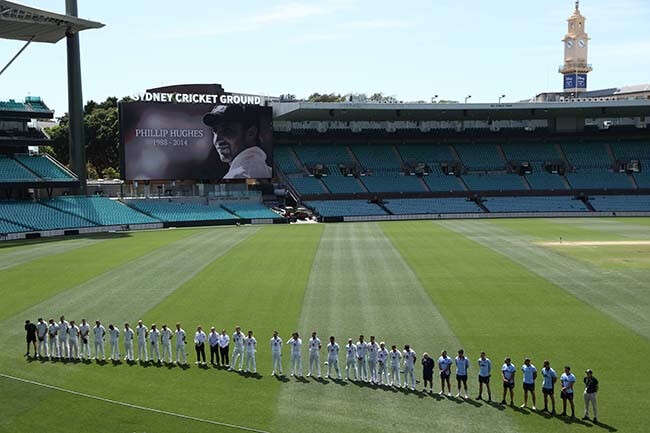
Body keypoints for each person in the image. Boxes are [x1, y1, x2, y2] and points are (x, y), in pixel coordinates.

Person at [202, 104, 272, 180]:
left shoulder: (237, 176)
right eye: (215, 131)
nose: (217, 140)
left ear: (251, 133)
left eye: (227, 130)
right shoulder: (268, 170)